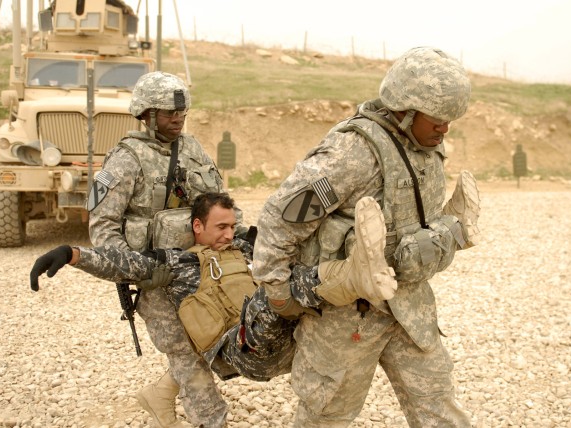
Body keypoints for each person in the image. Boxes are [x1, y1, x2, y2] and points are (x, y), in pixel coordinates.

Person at [252, 46, 481, 427]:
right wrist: (276, 287)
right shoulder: (354, 151)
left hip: (409, 307)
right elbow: (282, 215)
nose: (445, 128)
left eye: (450, 120)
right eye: (438, 118)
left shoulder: (424, 147)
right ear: (405, 110)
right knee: (327, 415)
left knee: (439, 408)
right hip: (346, 317)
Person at [30, 192, 397, 389]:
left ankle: (359, 267)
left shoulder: (246, 249)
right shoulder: (178, 264)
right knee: (272, 289)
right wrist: (72, 254)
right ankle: (353, 276)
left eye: (232, 226)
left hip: (286, 339)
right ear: (197, 226)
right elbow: (126, 265)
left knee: (290, 273)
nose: (228, 234)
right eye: (220, 227)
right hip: (239, 349)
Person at [86, 72, 245, 428]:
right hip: (153, 278)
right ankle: (212, 420)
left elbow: (219, 202)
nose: (177, 119)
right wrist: (137, 270)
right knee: (184, 350)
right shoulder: (125, 160)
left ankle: (159, 395)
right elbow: (103, 230)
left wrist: (241, 237)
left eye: (182, 112)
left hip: (197, 268)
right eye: (168, 113)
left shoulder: (192, 150)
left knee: (217, 338)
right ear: (145, 113)